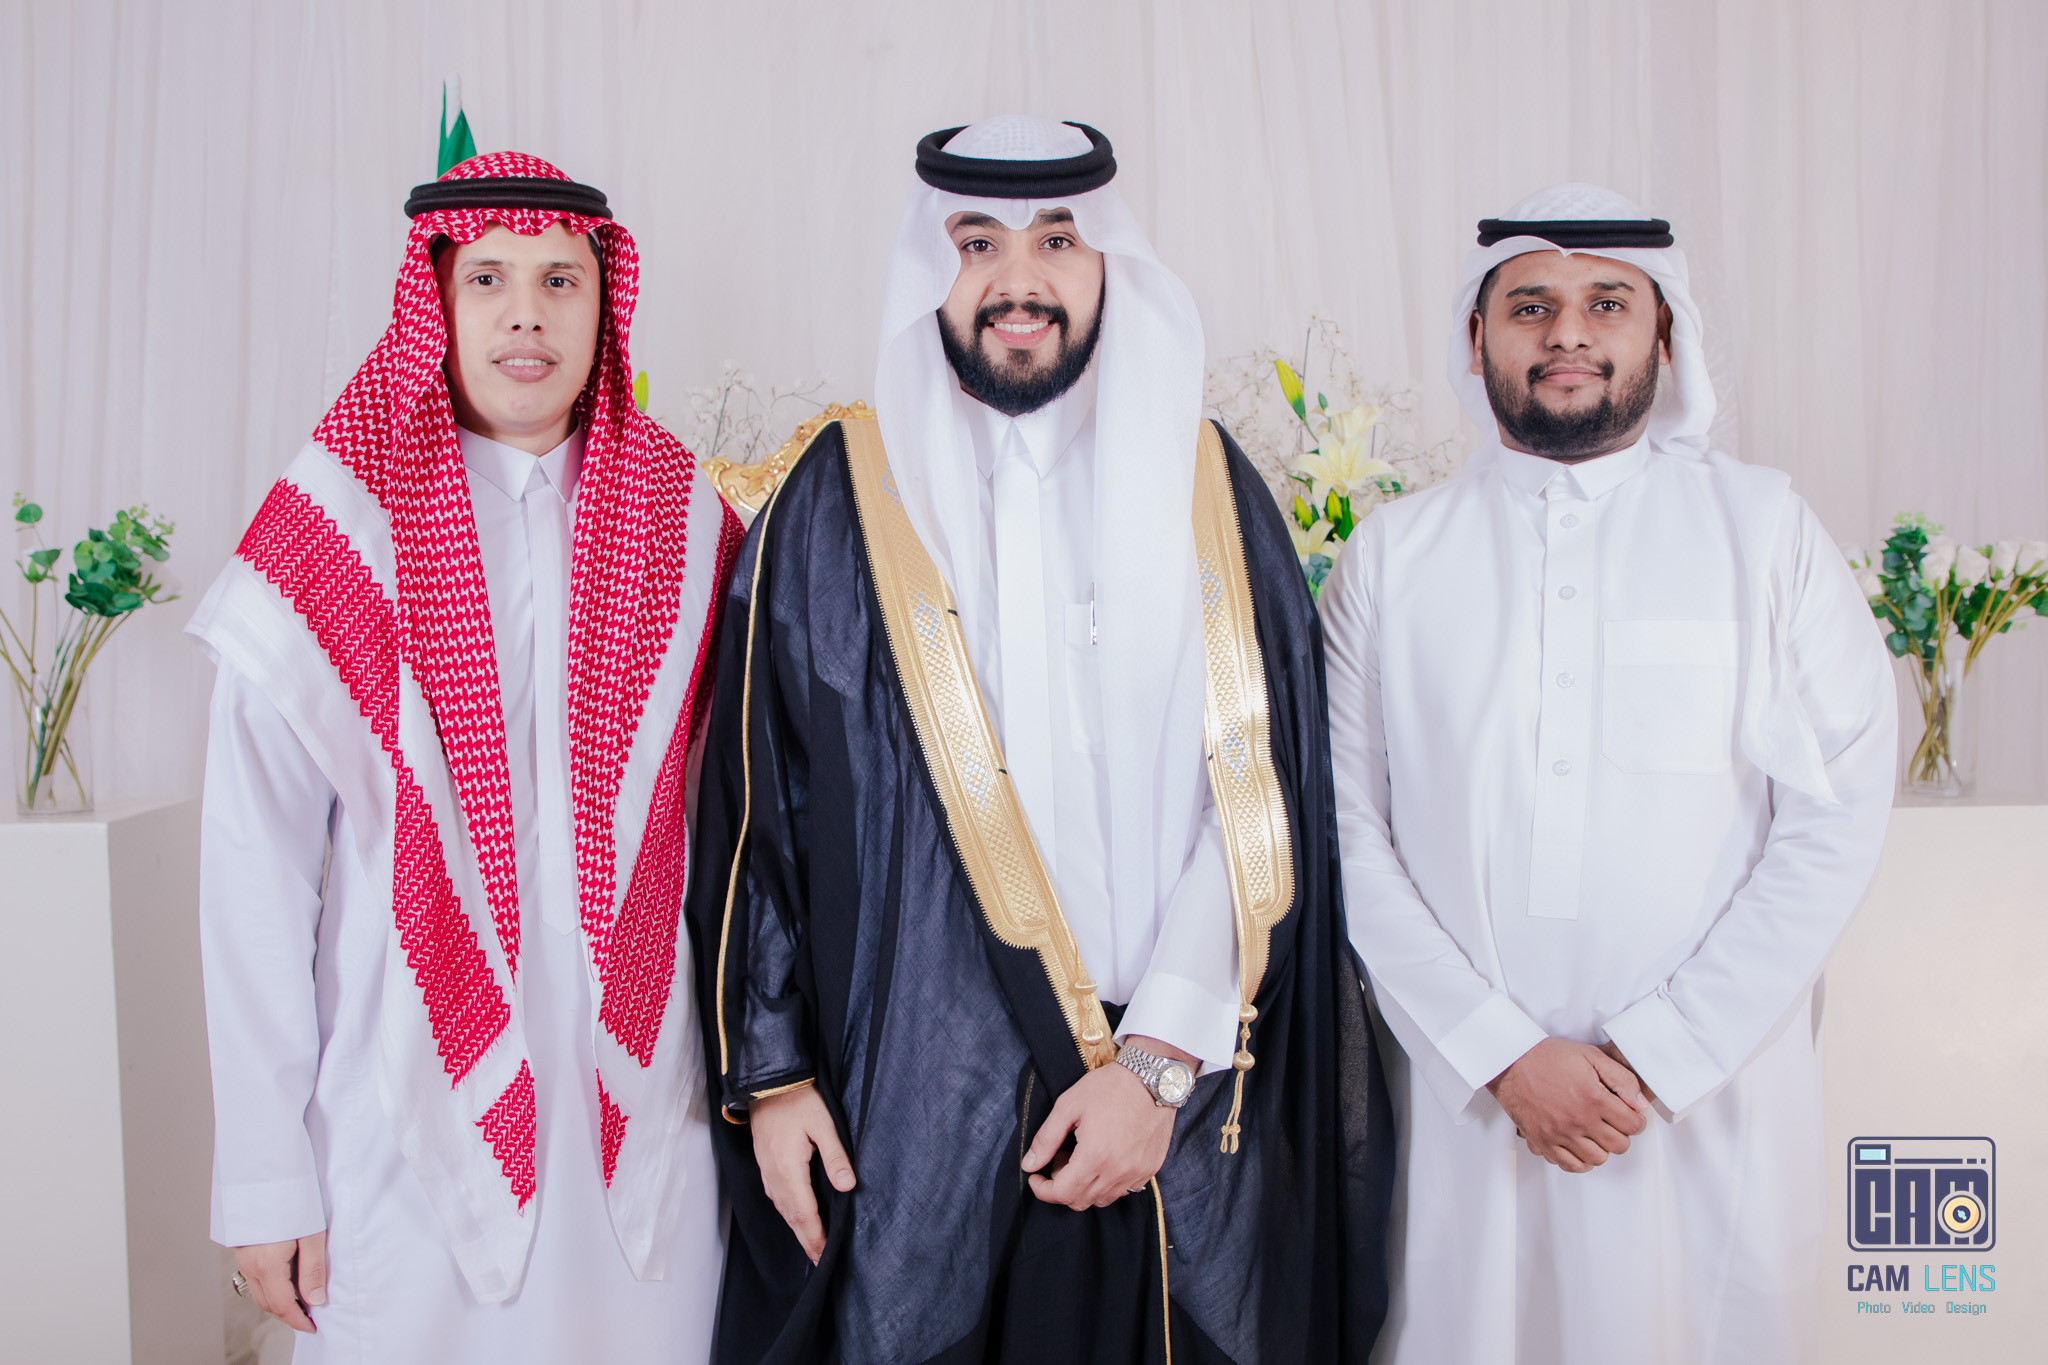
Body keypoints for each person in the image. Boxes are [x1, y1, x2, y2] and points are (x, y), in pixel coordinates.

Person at [686, 116, 1392, 1364]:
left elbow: (1261, 795)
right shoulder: (841, 499)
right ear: (931, 264)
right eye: (977, 243)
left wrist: (1156, 1064)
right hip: (911, 1105)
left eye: (1057, 241)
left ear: (1108, 261)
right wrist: (775, 1075)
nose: (1018, 279)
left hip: (1170, 1109)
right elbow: (760, 802)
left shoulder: (1206, 489)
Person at [1320, 184, 1898, 1365]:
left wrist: (1658, 1054)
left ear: (1662, 335)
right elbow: (1343, 832)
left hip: (1700, 1109)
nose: (1567, 335)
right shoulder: (1390, 557)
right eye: (1529, 306)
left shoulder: (1764, 533)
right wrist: (1500, 1053)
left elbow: (1832, 817)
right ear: (1475, 339)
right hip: (1474, 1108)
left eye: (1605, 304)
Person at [187, 152, 739, 1363]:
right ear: (432, 300)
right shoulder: (337, 527)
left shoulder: (686, 519)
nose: (525, 315)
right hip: (398, 1110)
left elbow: (744, 832)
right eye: (487, 278)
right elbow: (253, 873)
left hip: (645, 1119)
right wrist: (267, 1175)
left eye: (559, 281)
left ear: (604, 303)